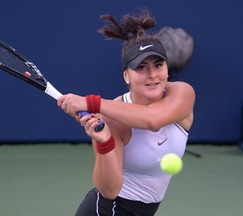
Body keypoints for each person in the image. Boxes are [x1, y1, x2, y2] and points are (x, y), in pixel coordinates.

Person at [57, 9, 195, 216]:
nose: (152, 75)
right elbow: (109, 191)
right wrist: (104, 142)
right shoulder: (111, 118)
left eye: (158, 65)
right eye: (141, 67)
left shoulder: (182, 92)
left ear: (167, 68)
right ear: (126, 76)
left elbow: (152, 119)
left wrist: (89, 102)